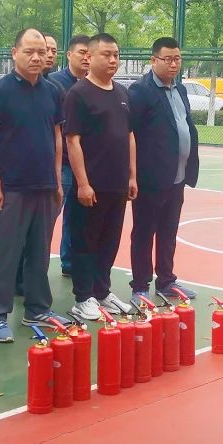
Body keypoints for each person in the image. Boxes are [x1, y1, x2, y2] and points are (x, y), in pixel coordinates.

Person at [0, 28, 68, 343]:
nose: (36, 57)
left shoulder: (53, 91)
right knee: (4, 254)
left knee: (39, 253)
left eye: (41, 52)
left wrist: (56, 180)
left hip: (44, 186)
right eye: (29, 51)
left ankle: (38, 309)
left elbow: (57, 136)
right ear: (14, 52)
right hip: (10, 189)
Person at [64, 33, 137, 322]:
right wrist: (83, 183)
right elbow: (72, 141)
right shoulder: (78, 94)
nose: (113, 60)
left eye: (116, 55)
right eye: (106, 54)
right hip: (91, 186)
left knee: (109, 240)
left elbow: (129, 136)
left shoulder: (122, 94)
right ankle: (83, 298)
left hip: (117, 185)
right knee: (85, 242)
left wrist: (132, 176)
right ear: (89, 57)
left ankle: (102, 291)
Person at [127, 37, 199, 309]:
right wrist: (133, 174)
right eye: (167, 59)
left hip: (176, 177)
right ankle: (140, 285)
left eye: (177, 59)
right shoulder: (140, 91)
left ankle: (166, 280)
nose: (173, 64)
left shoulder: (180, 89)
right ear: (153, 60)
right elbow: (130, 134)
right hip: (150, 179)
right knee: (144, 232)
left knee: (169, 231)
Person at [48, 34, 91, 277]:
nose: (86, 57)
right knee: (50, 217)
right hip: (63, 163)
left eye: (89, 53)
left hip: (85, 165)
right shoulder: (55, 84)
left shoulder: (93, 84)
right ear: (69, 55)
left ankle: (70, 262)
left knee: (77, 217)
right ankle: (29, 270)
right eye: (82, 52)